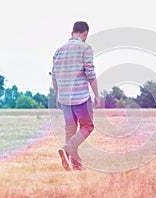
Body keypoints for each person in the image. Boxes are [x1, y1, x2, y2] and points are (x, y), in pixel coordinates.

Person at [51, 21, 100, 171]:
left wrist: (57, 95)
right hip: (81, 98)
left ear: (72, 33)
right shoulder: (85, 48)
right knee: (87, 126)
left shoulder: (58, 50)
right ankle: (66, 150)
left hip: (65, 98)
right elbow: (90, 73)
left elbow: (54, 76)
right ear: (85, 34)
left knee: (70, 130)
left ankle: (76, 165)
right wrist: (97, 95)